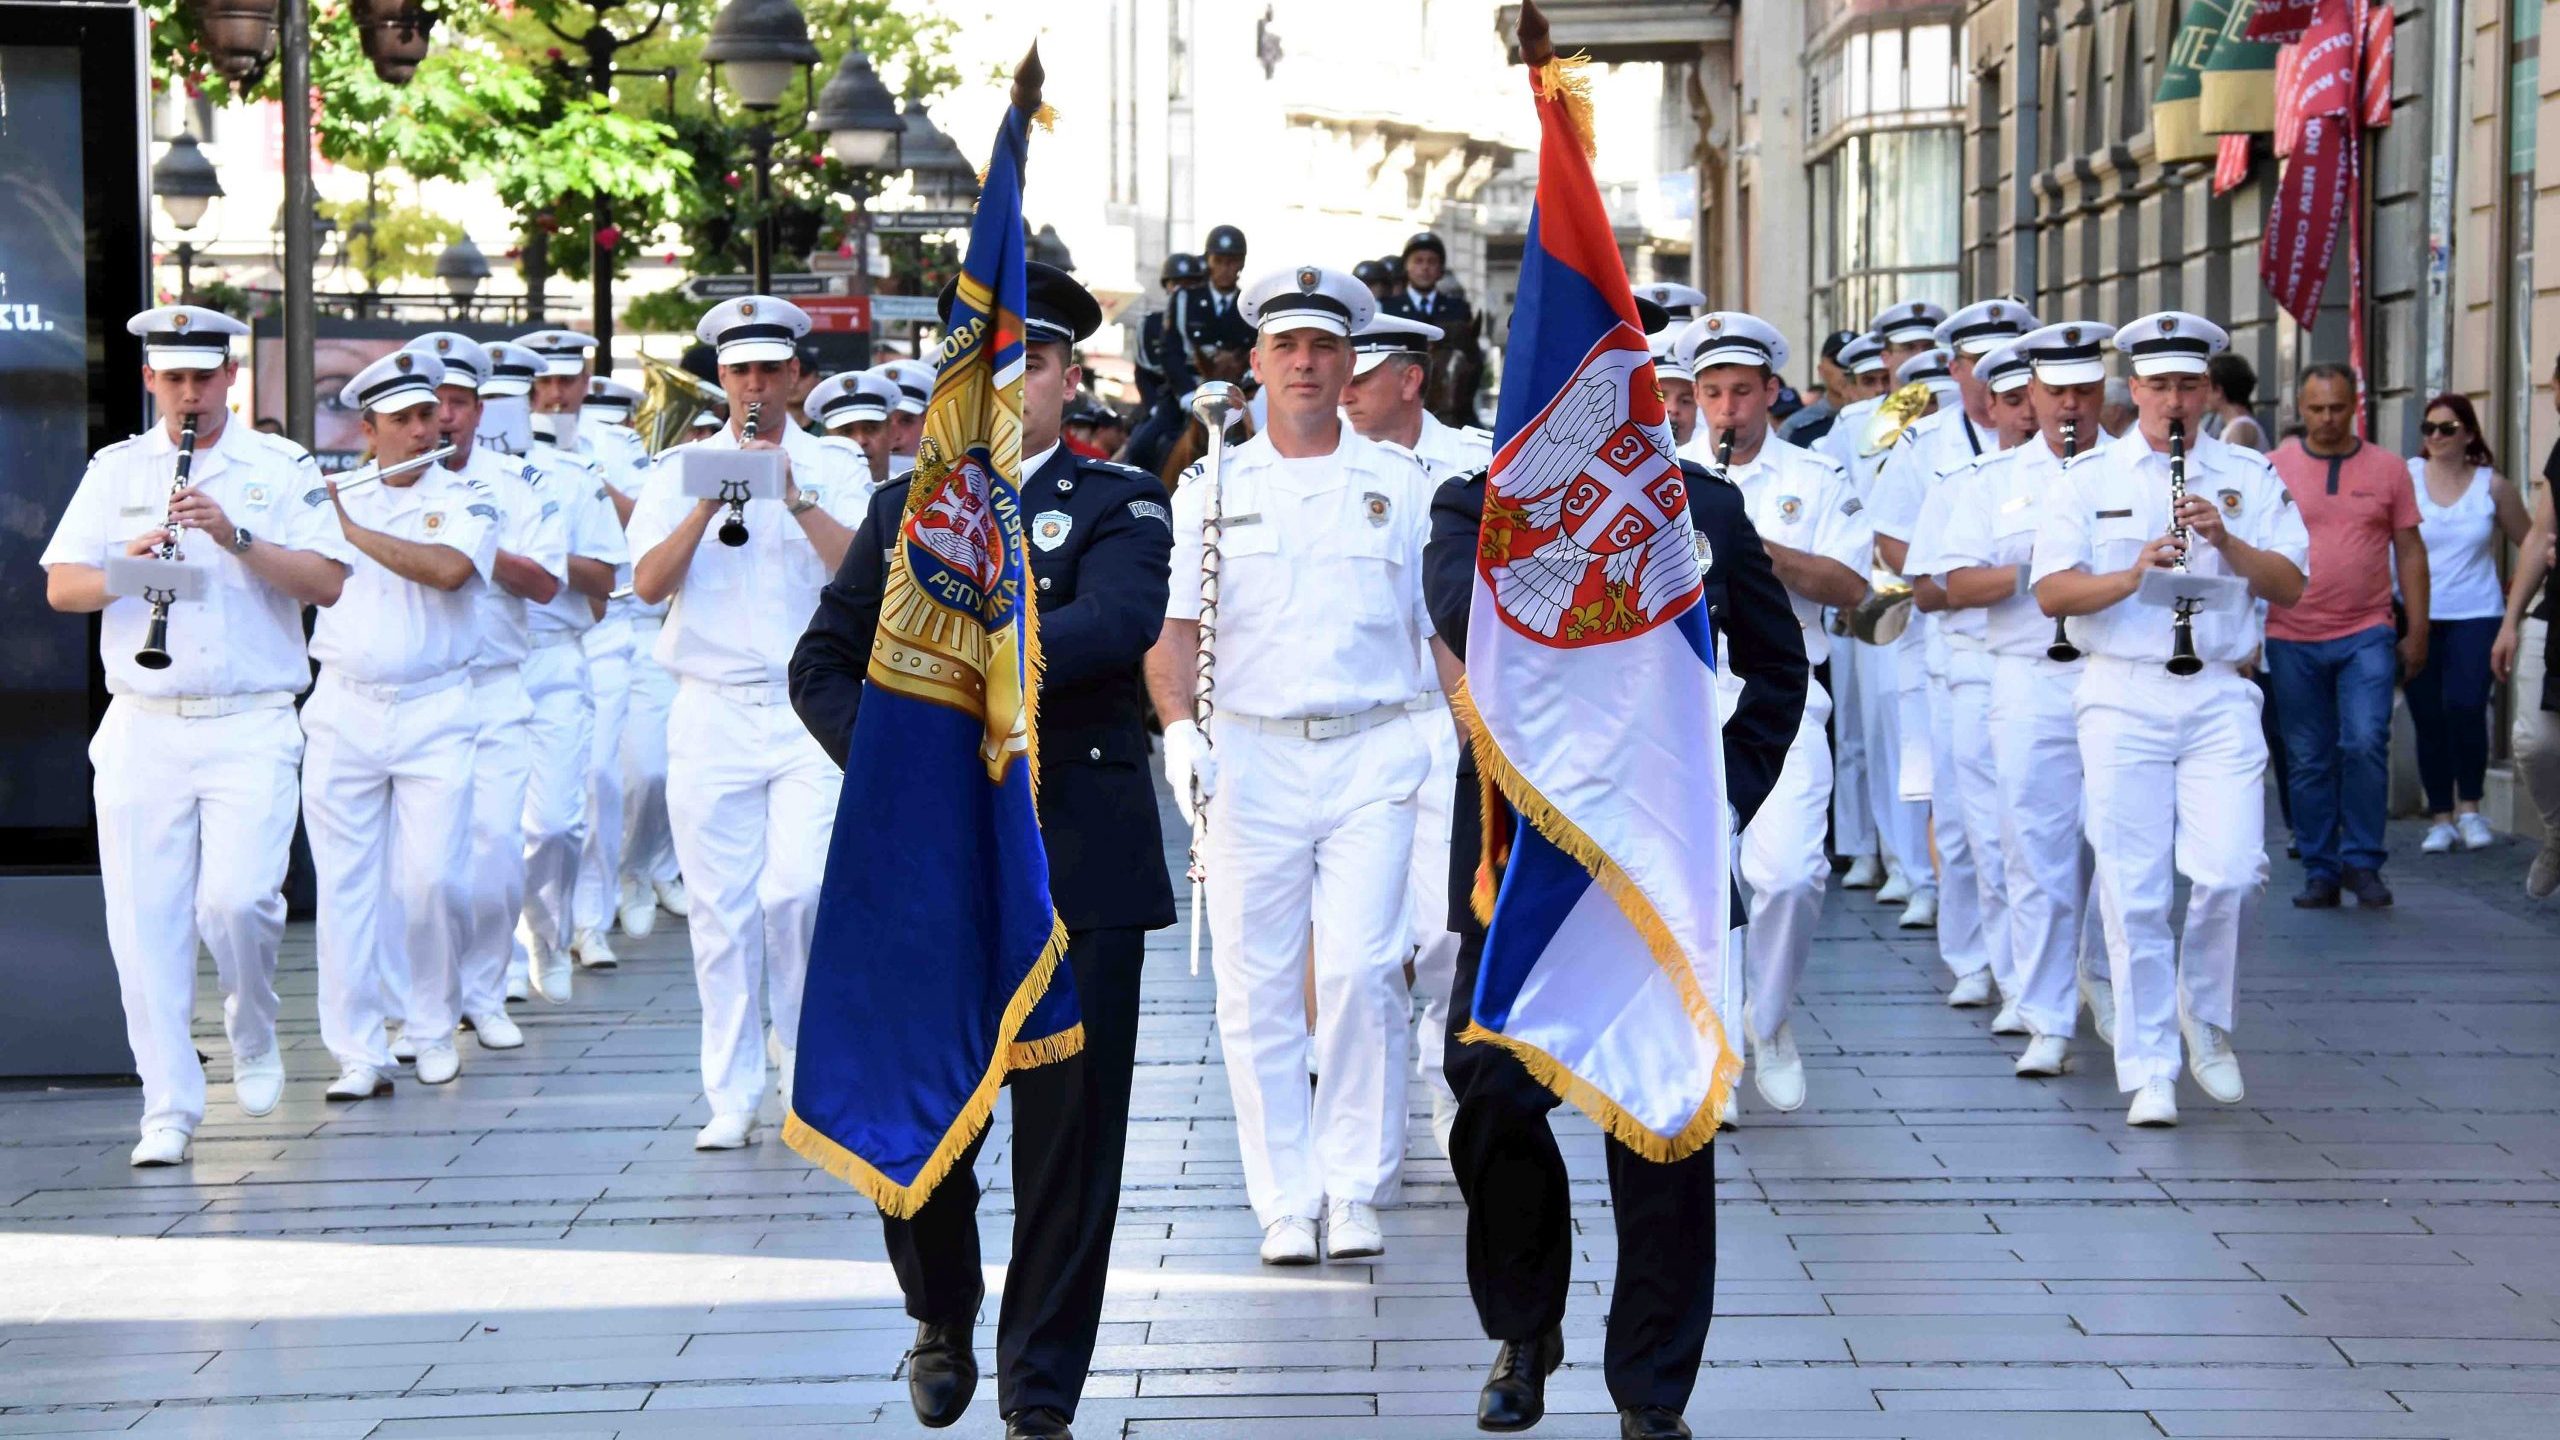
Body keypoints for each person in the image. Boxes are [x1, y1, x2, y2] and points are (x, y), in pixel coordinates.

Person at [790, 262, 1174, 1440]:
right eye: (990, 369)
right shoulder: (905, 507)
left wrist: (960, 677)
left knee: (1069, 1144)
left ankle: (1041, 1391)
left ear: (1069, 380)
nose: (1011, 391)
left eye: (1034, 368)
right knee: (921, 1103)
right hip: (935, 859)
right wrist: (907, 767)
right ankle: (943, 1307)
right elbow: (820, 666)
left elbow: (1116, 626)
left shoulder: (1116, 502)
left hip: (1074, 858)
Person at [1422, 325, 1808, 1440]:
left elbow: (1777, 670)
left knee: (1661, 1122)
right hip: (1524, 864)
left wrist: (1715, 797)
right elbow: (1473, 620)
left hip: (1658, 862)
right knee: (1491, 1098)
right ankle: (1522, 1324)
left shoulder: (1708, 509)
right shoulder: (1473, 506)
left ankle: (1650, 1388)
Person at [1144, 263, 1449, 1265]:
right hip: (1251, 755)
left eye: (1325, 348)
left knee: (1364, 972)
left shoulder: (1401, 485)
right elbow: (1175, 627)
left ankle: (1353, 1184)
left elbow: (1440, 628)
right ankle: (1284, 1198)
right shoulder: (1212, 483)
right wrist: (1178, 730)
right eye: (1287, 348)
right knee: (1254, 986)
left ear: (1349, 361)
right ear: (1259, 364)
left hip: (1372, 749)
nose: (1307, 365)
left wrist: (1475, 736)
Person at [40, 306, 350, 1165]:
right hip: (144, 721)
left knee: (240, 900)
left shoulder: (278, 465)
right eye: (171, 378)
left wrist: (234, 535)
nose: (188, 394)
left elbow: (326, 582)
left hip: (250, 718)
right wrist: (130, 564)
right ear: (150, 381)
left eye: (202, 377)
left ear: (228, 379)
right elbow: (65, 587)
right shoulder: (116, 469)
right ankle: (167, 1106)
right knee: (142, 923)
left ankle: (251, 1026)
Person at [2032, 312, 2308, 1128]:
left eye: (2189, 385)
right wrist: (2132, 572)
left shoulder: (2249, 473)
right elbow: (2052, 592)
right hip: (2122, 691)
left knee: (2232, 871)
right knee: (2136, 888)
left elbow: (2290, 585)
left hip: (2219, 685)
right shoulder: (2087, 478)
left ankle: (2205, 1017)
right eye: (2159, 386)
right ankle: (2150, 1065)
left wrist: (2228, 542)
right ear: (2136, 390)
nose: (2174, 401)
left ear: (2207, 392)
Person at [628, 296, 871, 1150]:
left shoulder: (837, 464)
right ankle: (730, 1088)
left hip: (807, 708)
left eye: (772, 371)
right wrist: (706, 503)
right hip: (711, 710)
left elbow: (858, 575)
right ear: (722, 380)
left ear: (799, 376)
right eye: (741, 372)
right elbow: (649, 586)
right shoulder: (677, 470)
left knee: (797, 893)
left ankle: (806, 1068)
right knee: (721, 911)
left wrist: (796, 497)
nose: (756, 387)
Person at [1674, 313, 1873, 1114]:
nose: (1728, 410)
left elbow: (1851, 588)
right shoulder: (1661, 479)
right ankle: (1712, 1050)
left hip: (1782, 700)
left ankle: (1771, 1016)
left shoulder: (1816, 479)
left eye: (1743, 393)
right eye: (1713, 393)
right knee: (1698, 892)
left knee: (1789, 874)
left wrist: (1750, 546)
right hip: (1684, 702)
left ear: (1770, 394)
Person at [300, 350, 500, 1104]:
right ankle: (357, 1049)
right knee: (347, 888)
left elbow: (448, 570)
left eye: (428, 416)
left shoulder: (471, 492)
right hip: (344, 704)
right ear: (369, 429)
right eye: (406, 420)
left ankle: (431, 1025)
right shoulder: (325, 496)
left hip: (436, 707)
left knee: (432, 881)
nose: (425, 430)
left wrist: (346, 527)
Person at [1932, 324, 2118, 1075]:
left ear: (2105, 393)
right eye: (2055, 393)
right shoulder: (1990, 484)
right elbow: (1951, 585)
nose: (2069, 406)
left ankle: (2106, 984)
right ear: (2028, 396)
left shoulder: (2130, 474)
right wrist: (2038, 569)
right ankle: (2044, 1013)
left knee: (2118, 846)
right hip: (2026, 675)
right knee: (2033, 848)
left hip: (2113, 671)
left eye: (2083, 391)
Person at [1340, 308, 1495, 1157]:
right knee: (1361, 946)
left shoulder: (1474, 465)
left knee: (1443, 931)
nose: (1347, 393)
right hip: (1355, 720)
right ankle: (1369, 1117)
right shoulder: (1319, 462)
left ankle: (1445, 1080)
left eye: (1362, 377)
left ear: (1409, 379)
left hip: (1445, 720)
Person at [396, 336, 566, 1069]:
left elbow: (548, 584)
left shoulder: (517, 483)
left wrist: (474, 544)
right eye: (434, 408)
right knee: (421, 872)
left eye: (458, 406)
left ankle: (486, 993)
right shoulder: (388, 486)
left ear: (476, 409)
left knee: (497, 853)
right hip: (417, 689)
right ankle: (415, 1008)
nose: (446, 421)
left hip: (495, 686)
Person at [1874, 299, 2039, 1014]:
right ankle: (1972, 959)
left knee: (2027, 822)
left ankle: (2033, 969)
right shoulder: (1925, 440)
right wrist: (1955, 569)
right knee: (1967, 825)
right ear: (1957, 369)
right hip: (1951, 648)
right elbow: (1890, 538)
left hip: (2037, 646)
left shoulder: (2050, 441)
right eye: (1980, 363)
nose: (1994, 375)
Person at [2264, 364, 2429, 910]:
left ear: (2354, 404)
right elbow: (2250, 549)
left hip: (2366, 631)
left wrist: (2418, 629)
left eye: (2337, 407)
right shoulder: (2272, 468)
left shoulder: (2388, 469)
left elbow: (2410, 550)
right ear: (2300, 409)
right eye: (2317, 408)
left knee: (2363, 742)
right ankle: (2319, 868)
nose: (2328, 418)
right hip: (2291, 632)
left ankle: (2361, 861)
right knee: (2308, 756)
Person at [2404, 393, 2532, 852]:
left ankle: (2471, 809)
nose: (2436, 437)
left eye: (2447, 428)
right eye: (2429, 428)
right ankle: (2441, 815)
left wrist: (2516, 595)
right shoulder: (2407, 477)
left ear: (2470, 434)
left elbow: (2531, 542)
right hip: (2417, 612)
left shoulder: (2491, 487)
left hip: (2477, 613)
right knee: (2428, 713)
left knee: (2465, 706)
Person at [2490, 441, 2558, 899]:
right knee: (2535, 741)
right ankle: (2558, 833)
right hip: (2554, 612)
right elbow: (2539, 535)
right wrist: (2510, 622)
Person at [803, 368, 903, 489]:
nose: (860, 441)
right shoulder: (811, 501)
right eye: (846, 432)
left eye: (871, 429)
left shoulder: (913, 498)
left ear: (891, 433)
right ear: (827, 439)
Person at [1776, 330, 1863, 446]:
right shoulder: (1797, 427)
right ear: (1821, 370)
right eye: (1838, 362)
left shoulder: (1880, 419)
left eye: (1853, 361)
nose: (1846, 370)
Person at [2204, 352, 2267, 452]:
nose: (2202, 393)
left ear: (2219, 391)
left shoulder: (2240, 429)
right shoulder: (2238, 426)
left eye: (2206, 386)